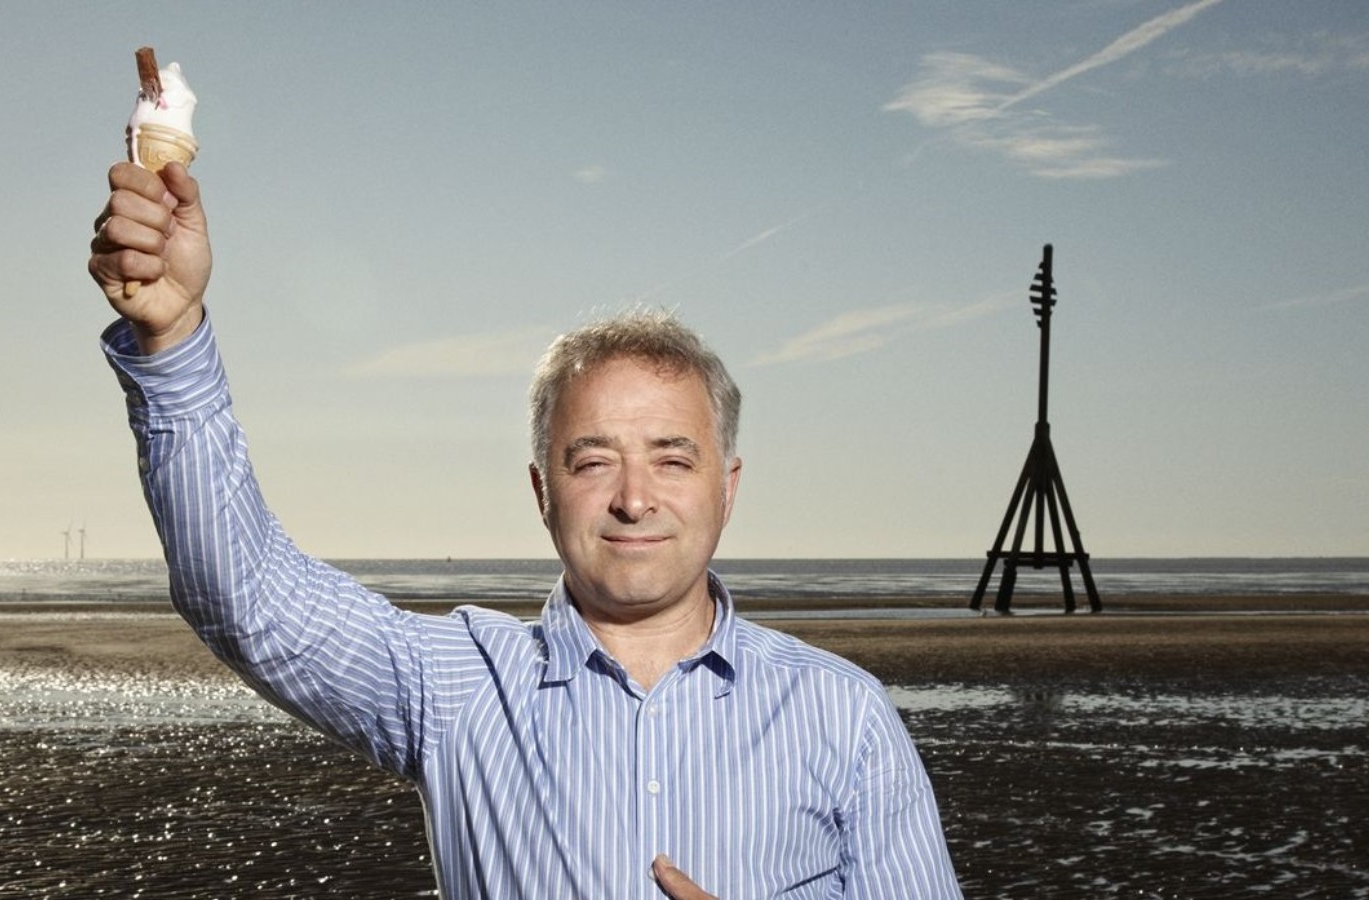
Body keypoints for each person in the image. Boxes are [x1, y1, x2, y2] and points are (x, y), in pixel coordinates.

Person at [88, 161, 962, 899]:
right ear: (543, 492)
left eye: (671, 457)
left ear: (726, 488)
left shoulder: (841, 716)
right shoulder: (459, 687)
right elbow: (250, 601)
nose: (633, 498)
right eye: (593, 462)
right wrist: (171, 339)